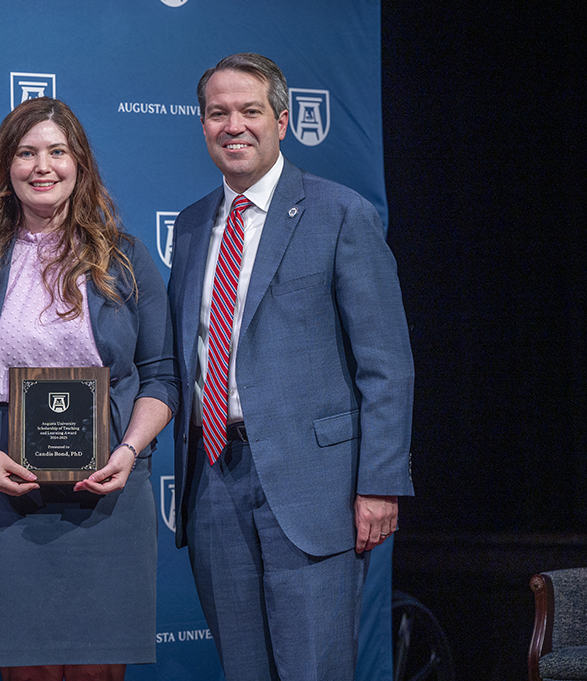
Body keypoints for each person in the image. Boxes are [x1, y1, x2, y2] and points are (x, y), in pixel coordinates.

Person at [168, 53, 415, 680]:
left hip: (315, 490)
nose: (234, 125)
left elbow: (387, 364)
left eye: (250, 111)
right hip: (215, 484)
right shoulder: (194, 225)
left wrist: (380, 482)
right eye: (218, 113)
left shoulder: (341, 214)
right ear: (202, 126)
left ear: (282, 120)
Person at [0, 97, 178, 681]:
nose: (42, 166)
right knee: (27, 673)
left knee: (98, 673)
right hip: (2, 493)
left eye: (57, 152)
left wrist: (128, 451)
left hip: (108, 497)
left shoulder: (126, 258)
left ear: (79, 164)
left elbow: (162, 377)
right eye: (26, 153)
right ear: (6, 167)